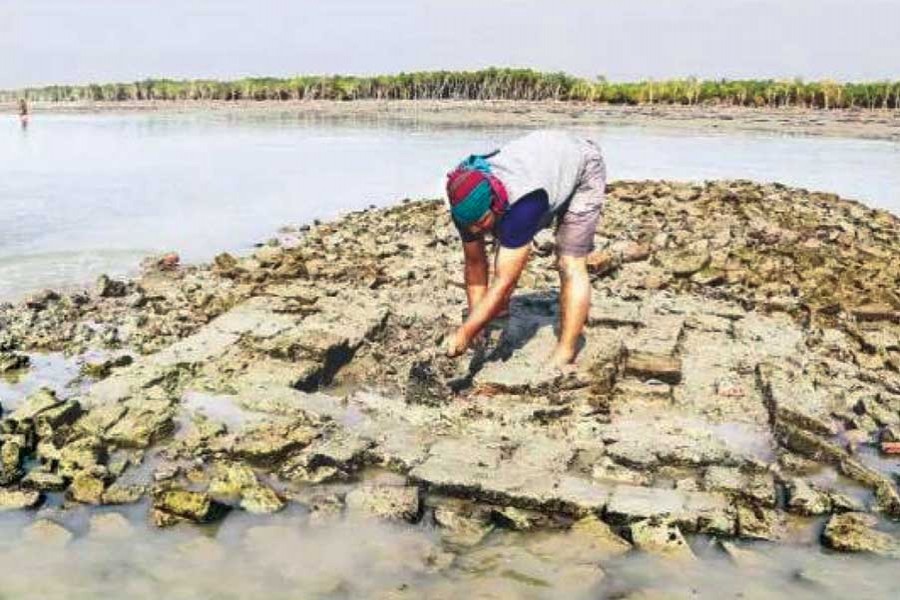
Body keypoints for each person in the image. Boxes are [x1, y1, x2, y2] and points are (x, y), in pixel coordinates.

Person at [444, 129, 606, 369]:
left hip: (580, 166)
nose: (477, 231)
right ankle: (493, 314)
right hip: (542, 162)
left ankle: (566, 350)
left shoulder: (523, 204)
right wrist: (475, 325)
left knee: (569, 262)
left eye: (482, 223)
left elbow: (505, 281)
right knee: (501, 242)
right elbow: (475, 264)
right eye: (471, 226)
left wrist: (465, 332)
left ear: (495, 205)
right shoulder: (464, 202)